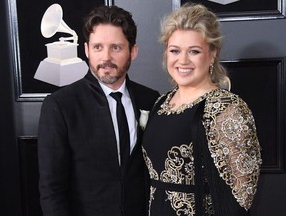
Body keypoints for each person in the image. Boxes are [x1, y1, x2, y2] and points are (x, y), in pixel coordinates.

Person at [37, 5, 160, 216]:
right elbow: (52, 190)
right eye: (97, 47)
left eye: (116, 48)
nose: (106, 58)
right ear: (86, 50)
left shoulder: (151, 99)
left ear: (133, 51)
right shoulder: (61, 106)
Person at [141, 3, 262, 216]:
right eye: (175, 51)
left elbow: (243, 193)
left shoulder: (226, 109)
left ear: (212, 54)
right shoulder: (160, 104)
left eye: (194, 51)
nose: (183, 60)